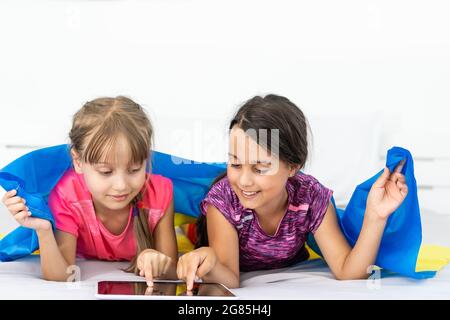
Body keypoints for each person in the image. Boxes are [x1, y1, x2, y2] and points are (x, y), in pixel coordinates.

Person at [177, 94, 407, 289]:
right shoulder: (224, 198)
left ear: (292, 167)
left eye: (260, 168)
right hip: (207, 237)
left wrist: (376, 216)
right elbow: (231, 279)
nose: (244, 181)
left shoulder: (310, 197)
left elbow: (349, 271)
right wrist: (210, 262)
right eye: (235, 164)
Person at [1, 96, 177, 285]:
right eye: (106, 172)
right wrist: (44, 231)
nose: (121, 185)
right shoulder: (68, 194)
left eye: (134, 169)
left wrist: (157, 260)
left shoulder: (161, 192)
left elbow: (174, 271)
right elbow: (64, 275)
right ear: (78, 161)